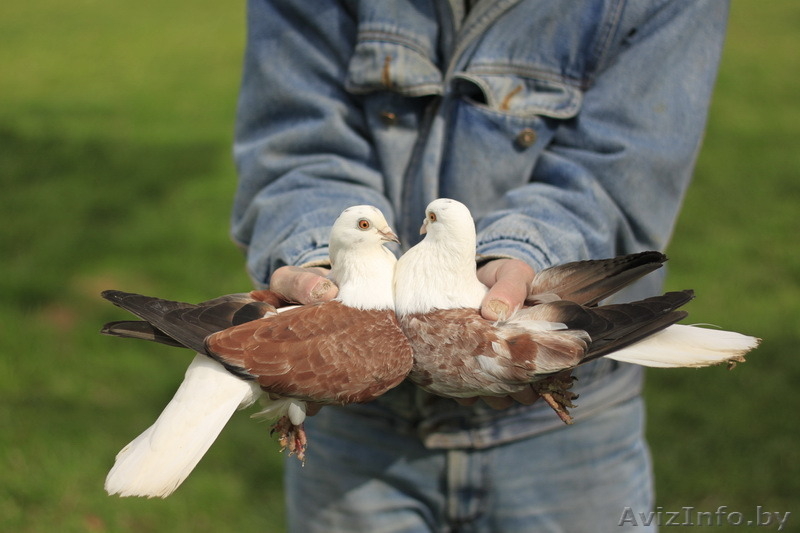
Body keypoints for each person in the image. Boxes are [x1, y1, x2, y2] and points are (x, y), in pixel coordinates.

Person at [230, 1, 729, 531]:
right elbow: (299, 144)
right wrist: (327, 270)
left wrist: (520, 257)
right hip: (357, 418)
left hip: (568, 435)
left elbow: (626, 164)